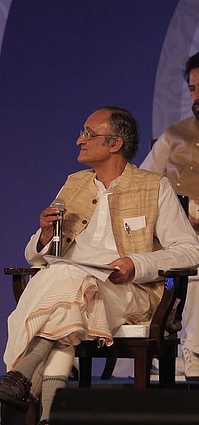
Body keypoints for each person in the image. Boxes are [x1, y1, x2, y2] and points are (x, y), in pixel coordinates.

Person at [0, 106, 199, 425]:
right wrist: (44, 236)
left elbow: (189, 251)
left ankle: (21, 375)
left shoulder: (154, 187)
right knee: (65, 300)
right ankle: (46, 418)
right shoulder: (73, 185)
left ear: (114, 143)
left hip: (127, 290)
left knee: (62, 279)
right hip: (71, 288)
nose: (78, 140)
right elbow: (34, 254)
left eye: (88, 133)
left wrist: (136, 263)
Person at [140, 51, 199, 380]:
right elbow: (143, 188)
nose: (196, 97)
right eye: (192, 89)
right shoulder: (175, 136)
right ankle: (190, 364)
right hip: (180, 243)